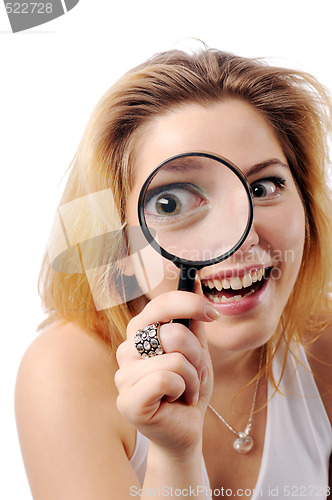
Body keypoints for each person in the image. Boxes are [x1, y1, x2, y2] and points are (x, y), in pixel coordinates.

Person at [15, 47, 332, 499]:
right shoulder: (65, 372)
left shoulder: (324, 345)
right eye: (172, 202)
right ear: (117, 242)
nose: (240, 238)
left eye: (263, 187)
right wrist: (175, 456)